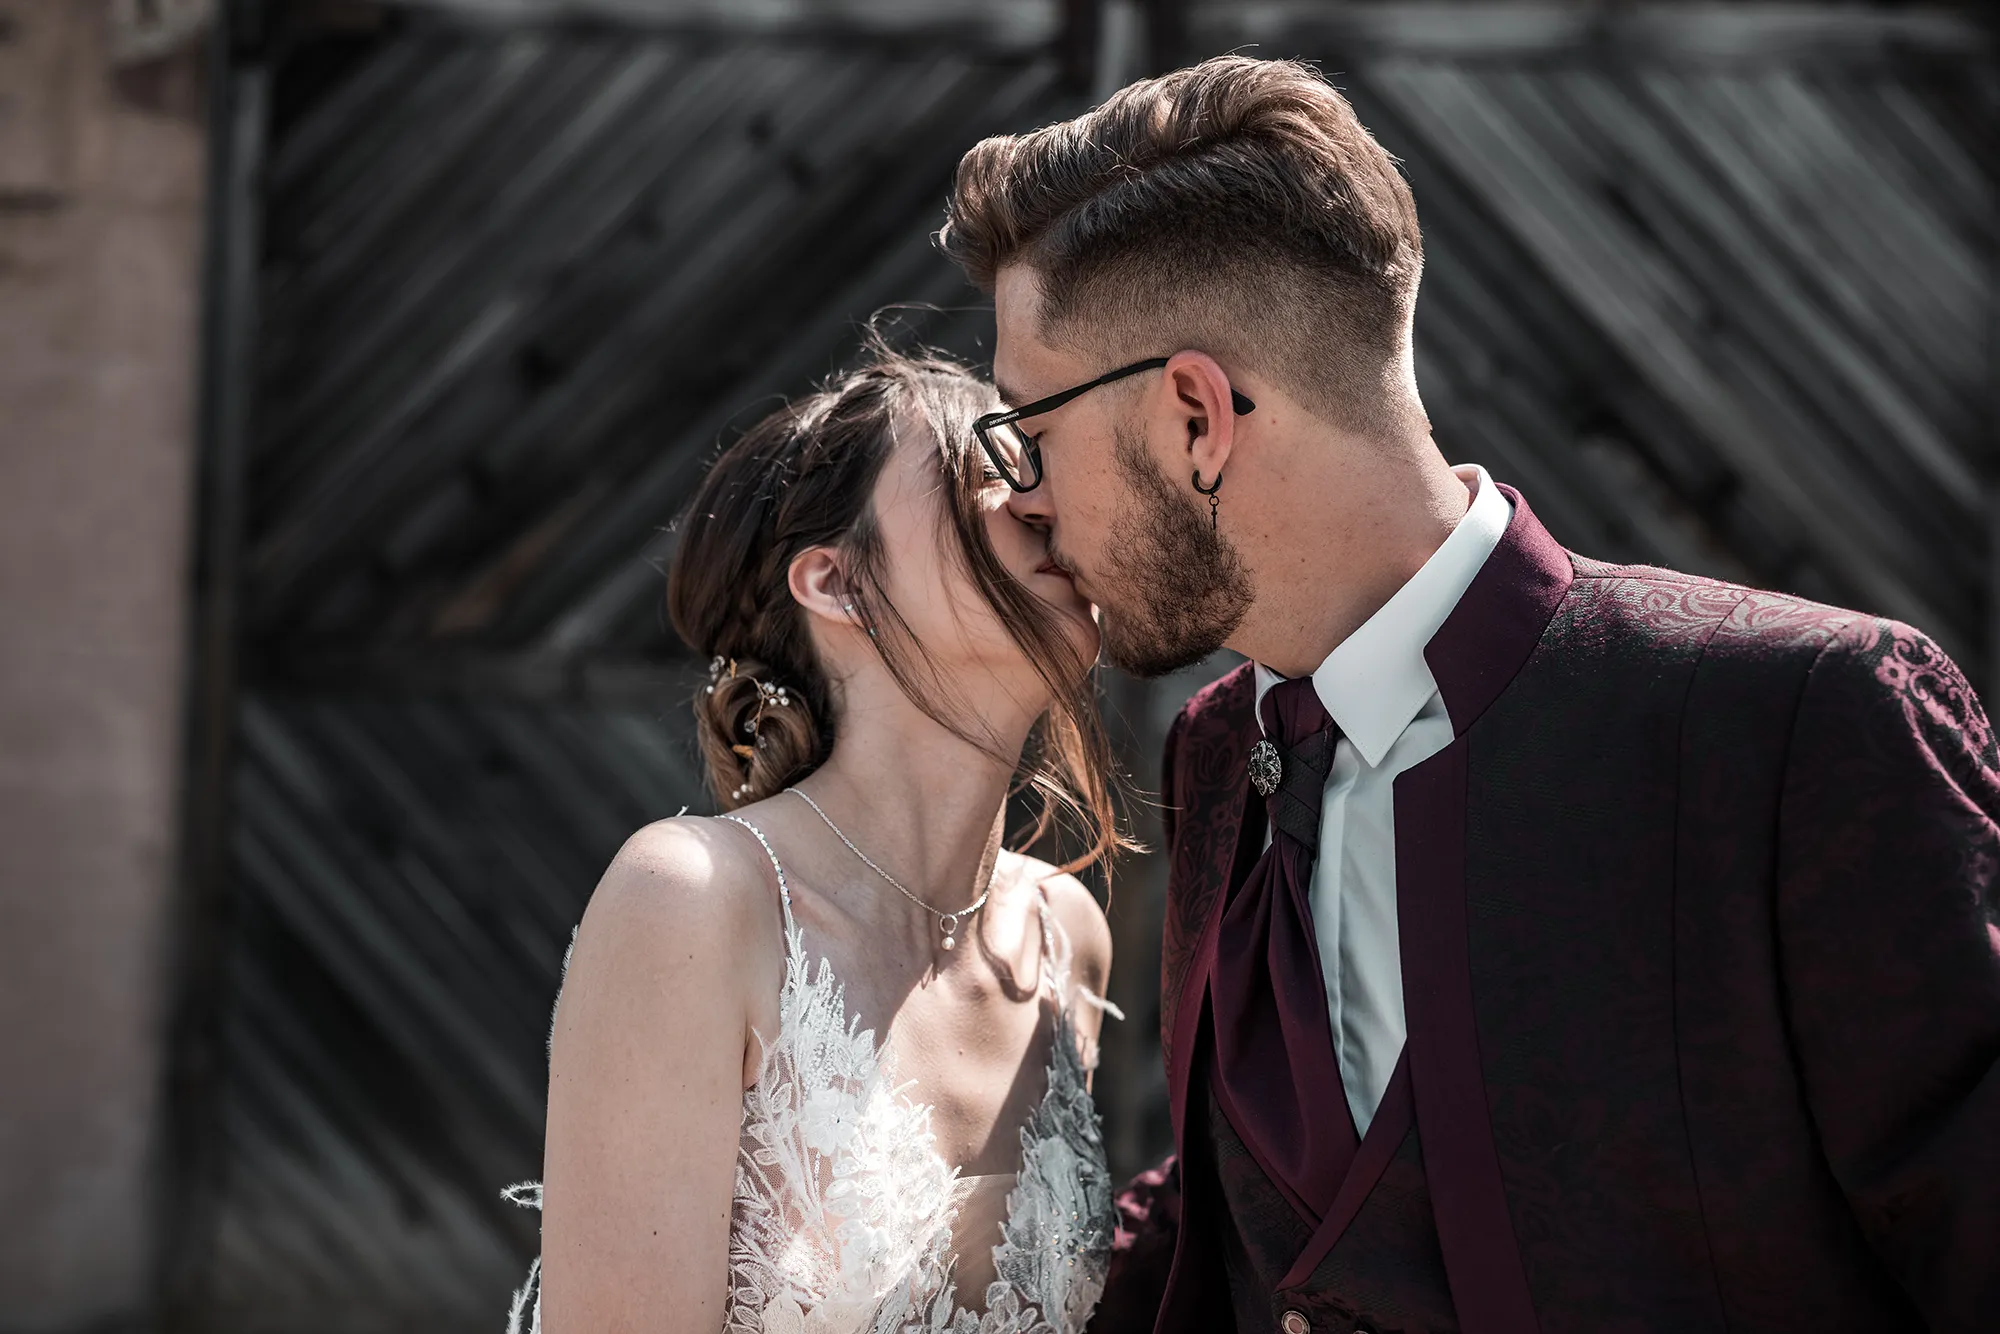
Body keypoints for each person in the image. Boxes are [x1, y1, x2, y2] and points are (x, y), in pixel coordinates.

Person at [936, 54, 2000, 1334]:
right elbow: (1268, 1209)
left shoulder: (1798, 724)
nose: (1017, 497)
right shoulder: (1219, 755)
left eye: (1024, 432)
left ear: (1194, 417)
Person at [503, 345, 1125, 1333]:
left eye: (1036, 467)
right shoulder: (695, 901)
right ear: (838, 584)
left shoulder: (1064, 931)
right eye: (985, 472)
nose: (1039, 501)